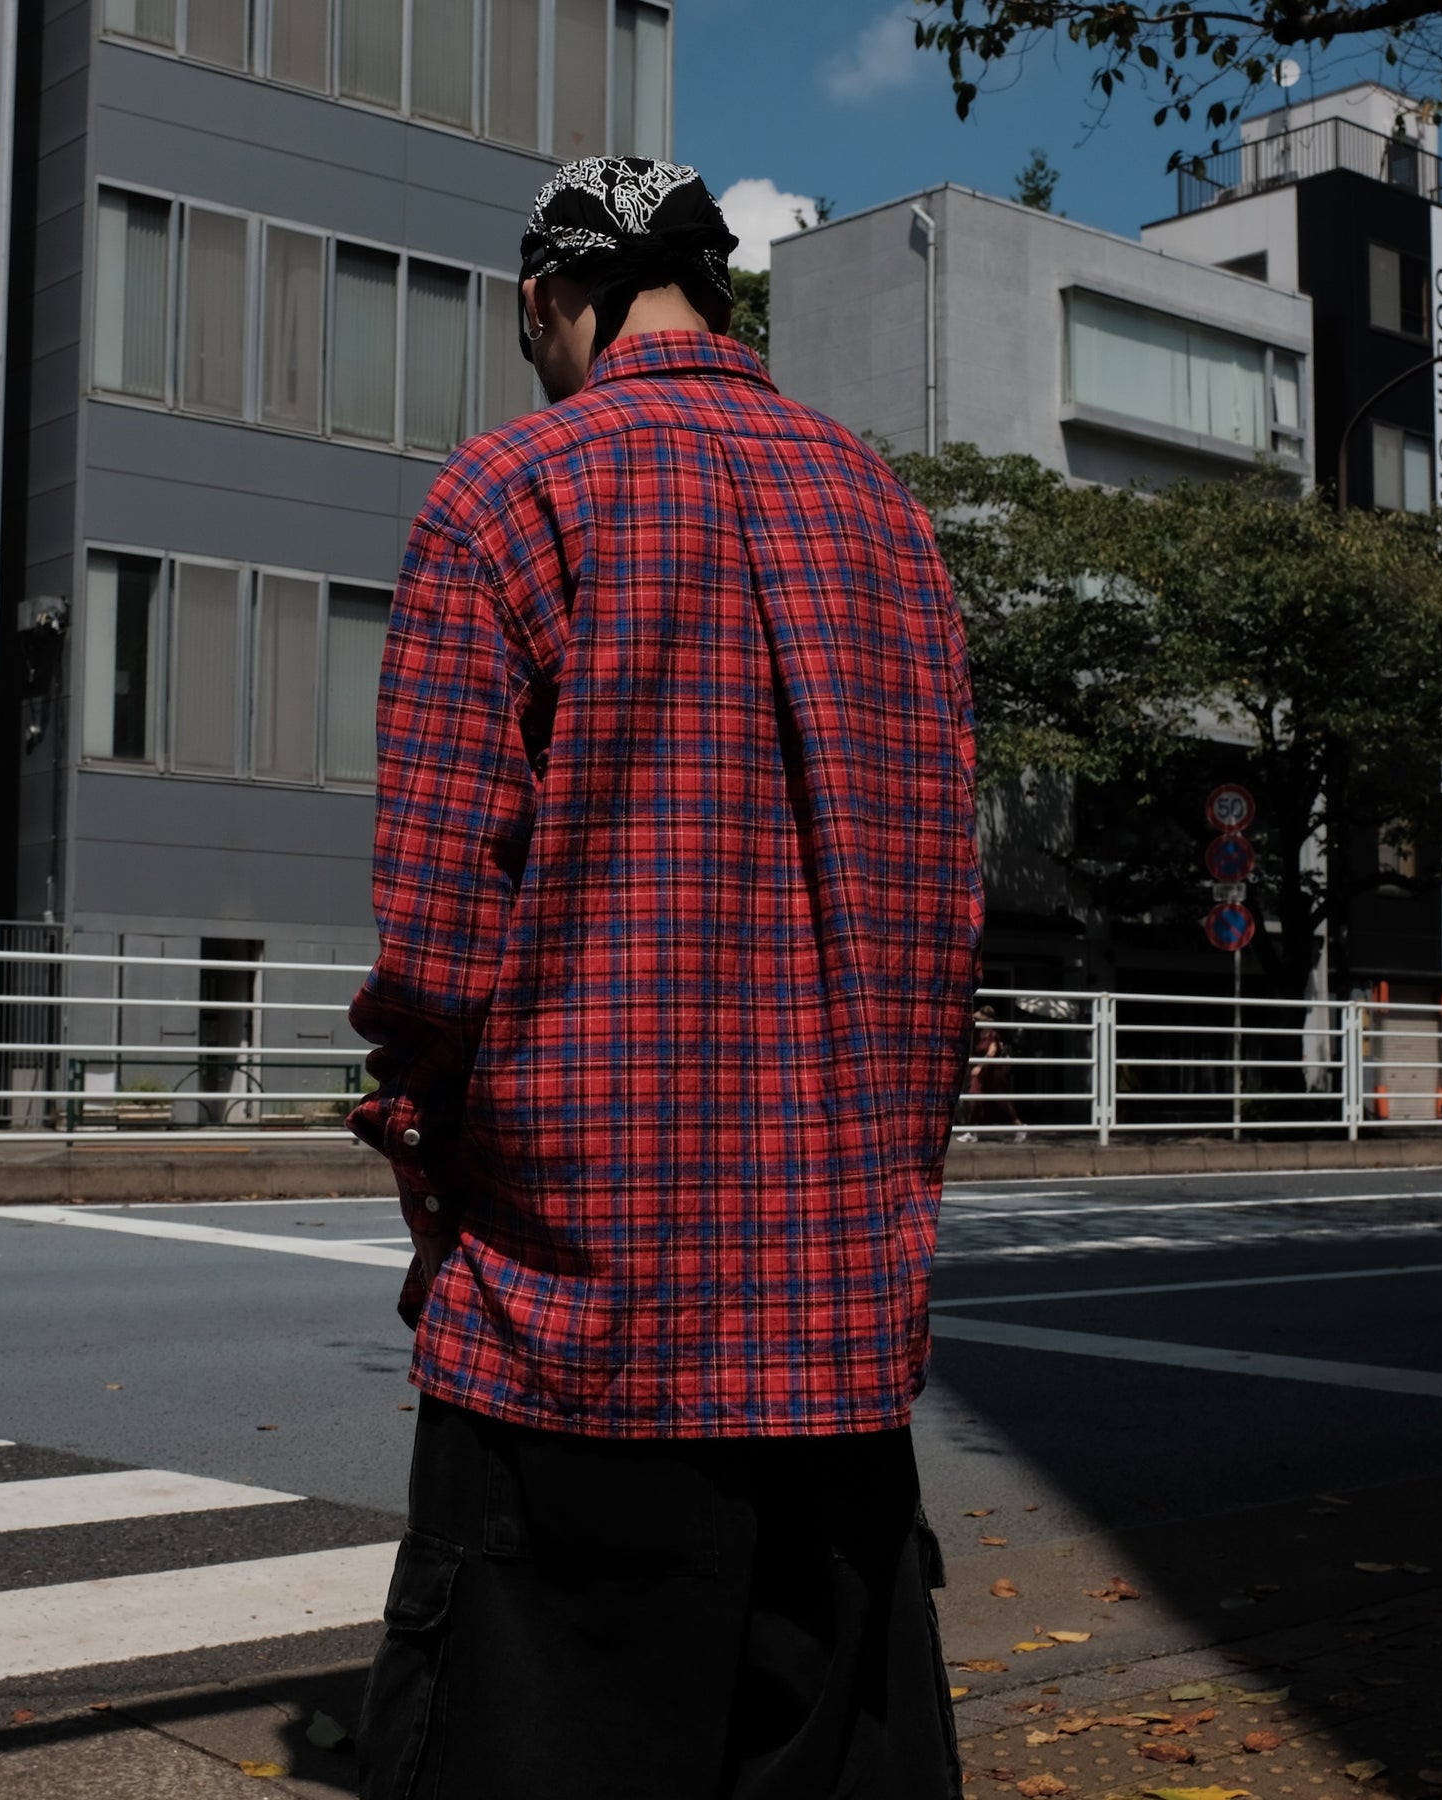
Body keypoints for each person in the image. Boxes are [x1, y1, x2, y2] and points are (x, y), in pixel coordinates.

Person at [348, 156, 982, 1800]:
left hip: (575, 1340)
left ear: (558, 299)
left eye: (528, 333)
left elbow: (434, 943)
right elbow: (943, 934)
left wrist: (422, 1137)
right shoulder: (892, 526)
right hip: (837, 1356)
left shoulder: (506, 497)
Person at [960, 1005, 1025, 1143]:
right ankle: (972, 1131)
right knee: (973, 1096)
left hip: (993, 1072)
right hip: (980, 1074)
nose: (977, 1020)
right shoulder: (977, 1032)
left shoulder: (994, 1035)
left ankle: (1020, 1127)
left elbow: (991, 1053)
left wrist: (979, 1066)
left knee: (1002, 1102)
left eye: (980, 1018)